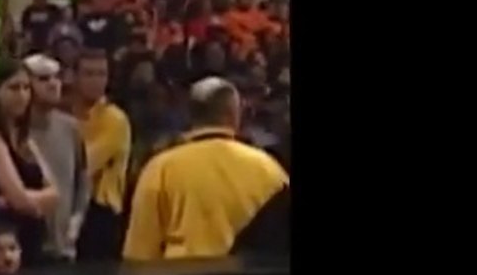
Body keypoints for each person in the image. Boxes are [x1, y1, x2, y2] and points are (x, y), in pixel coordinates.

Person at [123, 77, 289, 260]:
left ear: (190, 115)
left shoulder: (160, 168)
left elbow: (140, 251)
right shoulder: (268, 168)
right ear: (234, 114)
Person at [0, 59, 58, 268]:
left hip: (29, 238)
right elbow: (20, 200)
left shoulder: (23, 136)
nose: (22, 95)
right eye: (14, 88)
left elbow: (55, 194)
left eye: (26, 88)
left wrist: (24, 200)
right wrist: (30, 200)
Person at [23, 54, 88, 261]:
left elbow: (83, 178)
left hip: (64, 245)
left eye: (56, 77)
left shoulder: (71, 127)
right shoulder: (14, 131)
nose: (53, 84)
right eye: (43, 79)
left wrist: (76, 221)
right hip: (26, 245)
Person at [72, 50, 132, 261]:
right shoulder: (64, 116)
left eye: (101, 74)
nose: (96, 81)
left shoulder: (115, 119)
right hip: (67, 206)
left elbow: (85, 164)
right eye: (89, 74)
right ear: (73, 77)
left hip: (100, 212)